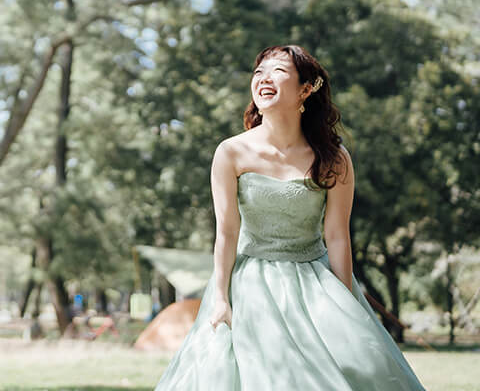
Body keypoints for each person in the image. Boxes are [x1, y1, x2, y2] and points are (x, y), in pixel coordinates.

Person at [152, 45, 427, 390]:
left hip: (315, 281)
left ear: (306, 89)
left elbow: (338, 235)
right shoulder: (231, 152)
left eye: (279, 71)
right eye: (258, 72)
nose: (264, 78)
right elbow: (227, 231)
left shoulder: (333, 158)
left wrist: (344, 300)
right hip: (249, 283)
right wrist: (221, 296)